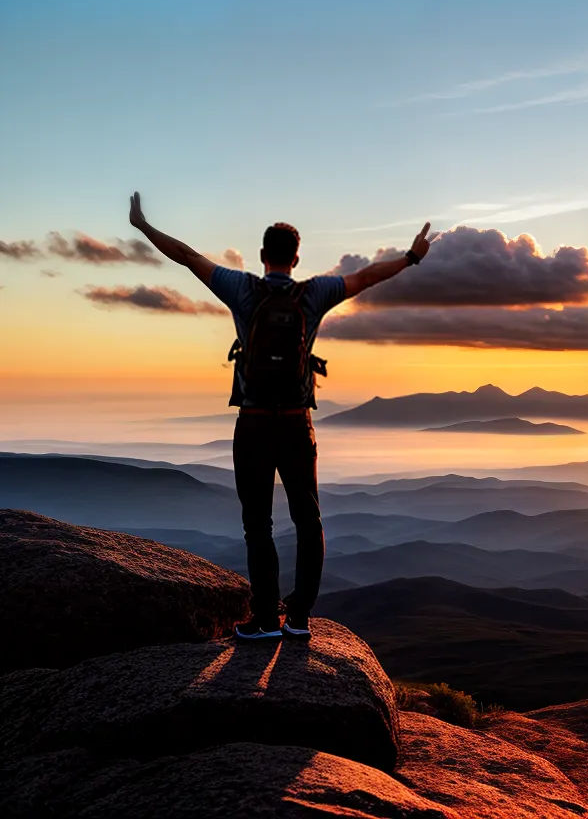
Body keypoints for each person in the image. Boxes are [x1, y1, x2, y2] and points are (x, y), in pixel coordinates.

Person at [128, 192, 433, 640]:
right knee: (308, 520)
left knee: (258, 524)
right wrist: (411, 257)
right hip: (295, 423)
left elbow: (187, 257)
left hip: (253, 423)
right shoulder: (315, 294)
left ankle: (266, 619)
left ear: (261, 256)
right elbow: (367, 277)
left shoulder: (240, 288)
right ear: (295, 258)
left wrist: (143, 226)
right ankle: (300, 618)